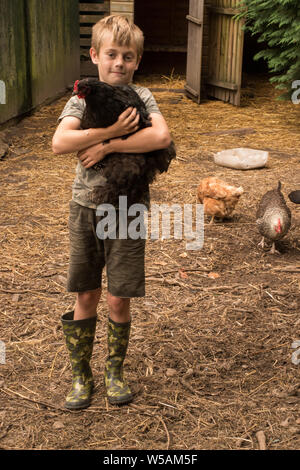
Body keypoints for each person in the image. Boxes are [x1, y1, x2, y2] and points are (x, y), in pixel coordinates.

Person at [52, 15, 171, 409]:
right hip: (85, 207)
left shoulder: (144, 96)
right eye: (112, 55)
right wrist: (107, 131)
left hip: (127, 208)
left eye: (128, 56)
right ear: (95, 56)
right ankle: (81, 376)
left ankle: (114, 372)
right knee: (86, 293)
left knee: (119, 298)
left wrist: (109, 147)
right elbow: (60, 142)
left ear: (136, 61)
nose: (119, 62)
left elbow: (161, 137)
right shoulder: (80, 99)